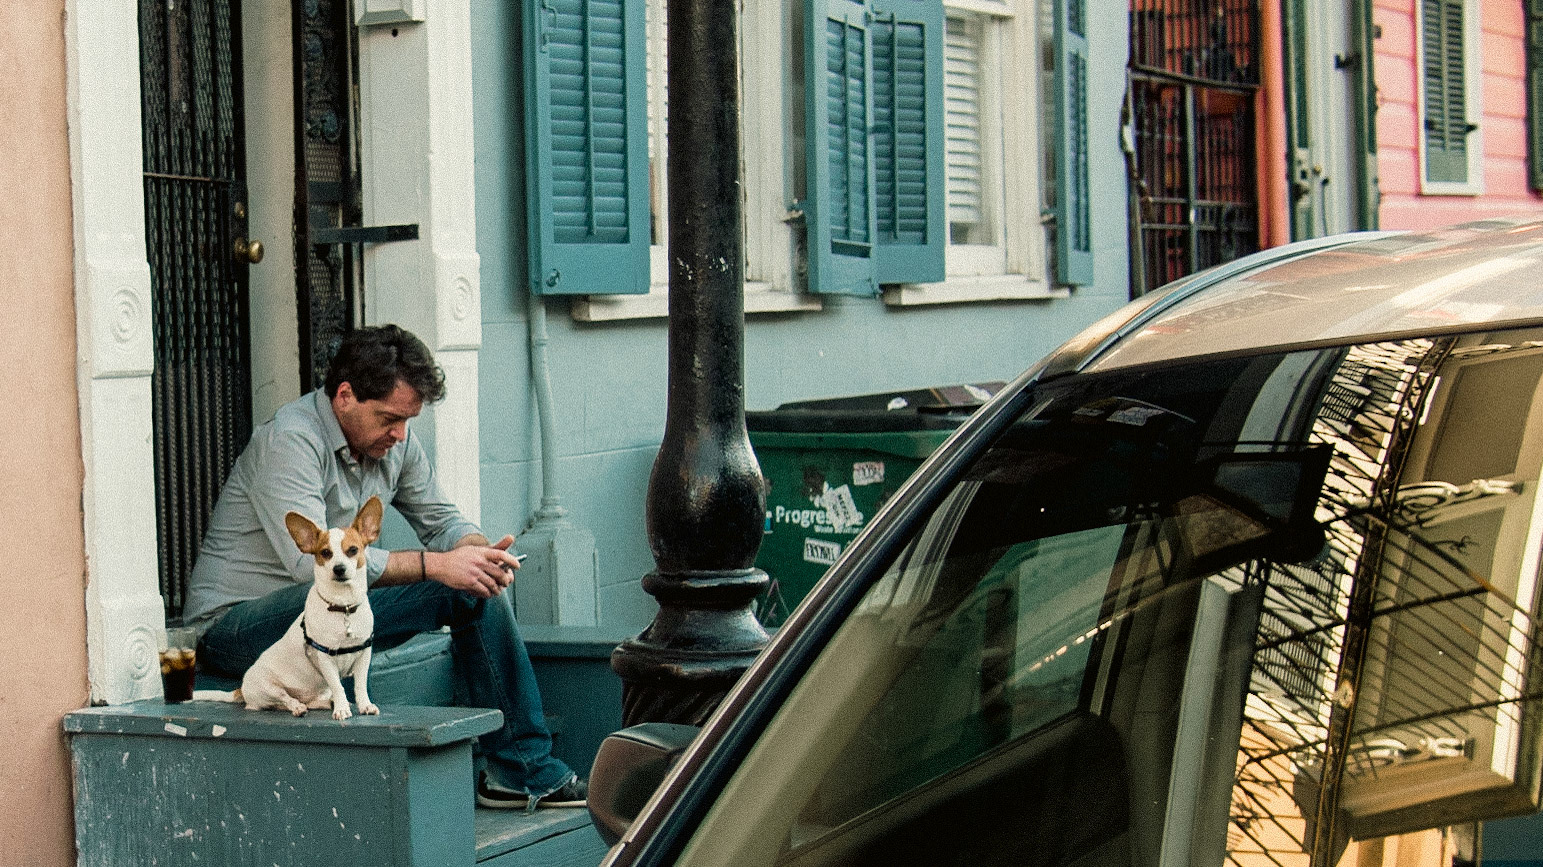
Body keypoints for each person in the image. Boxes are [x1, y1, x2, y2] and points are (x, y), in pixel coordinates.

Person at [185, 324, 584, 811]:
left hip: (329, 624)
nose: (399, 434)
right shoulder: (290, 440)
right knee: (452, 586)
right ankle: (525, 771)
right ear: (346, 396)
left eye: (407, 421)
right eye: (389, 418)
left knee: (473, 584)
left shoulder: (393, 442)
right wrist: (439, 566)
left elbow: (442, 522)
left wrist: (479, 553)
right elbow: (301, 564)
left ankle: (517, 772)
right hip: (237, 629)